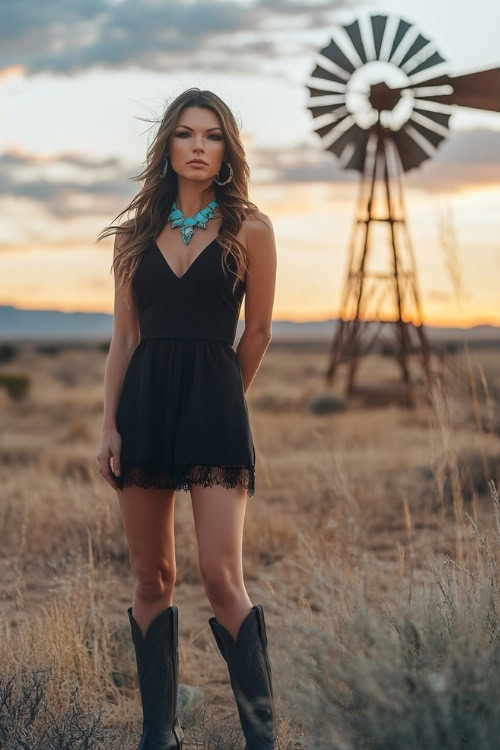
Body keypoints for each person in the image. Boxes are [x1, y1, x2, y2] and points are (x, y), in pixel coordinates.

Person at [96, 88, 278, 750]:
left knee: (222, 577)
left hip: (213, 407)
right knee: (153, 578)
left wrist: (226, 396)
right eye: (185, 133)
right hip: (143, 404)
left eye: (212, 135)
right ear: (167, 146)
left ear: (227, 150)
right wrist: (109, 425)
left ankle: (262, 736)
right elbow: (124, 340)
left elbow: (256, 332)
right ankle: (158, 736)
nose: (198, 145)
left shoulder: (251, 228)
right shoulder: (133, 236)